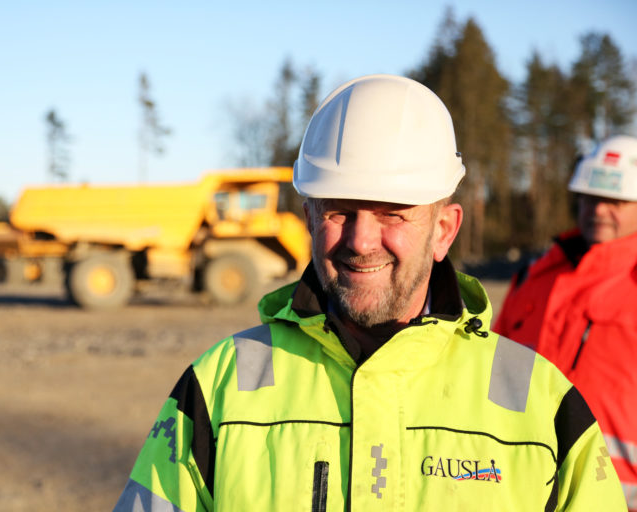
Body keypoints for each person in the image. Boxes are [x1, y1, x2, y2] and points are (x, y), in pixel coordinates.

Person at [112, 75, 626, 511]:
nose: (360, 242)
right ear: (310, 218)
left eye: (392, 214)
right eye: (338, 211)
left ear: (444, 230)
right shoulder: (218, 386)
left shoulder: (543, 403)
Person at [495, 134, 637, 510]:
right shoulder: (532, 278)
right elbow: (496, 383)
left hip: (616, 495)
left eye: (615, 201)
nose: (598, 210)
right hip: (521, 485)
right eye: (590, 198)